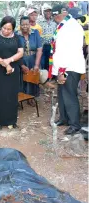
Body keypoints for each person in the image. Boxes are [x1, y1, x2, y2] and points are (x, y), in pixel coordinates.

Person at [50, 4, 86, 135]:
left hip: (68, 67)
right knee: (62, 93)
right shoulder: (64, 25)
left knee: (69, 95)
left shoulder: (71, 26)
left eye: (56, 15)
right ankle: (64, 118)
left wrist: (61, 72)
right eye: (54, 16)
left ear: (63, 13)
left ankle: (74, 124)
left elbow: (68, 51)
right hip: (64, 66)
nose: (55, 18)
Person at [0, 16, 24, 130]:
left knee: (11, 95)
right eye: (4, 28)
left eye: (9, 29)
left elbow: (20, 52)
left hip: (13, 71)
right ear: (1, 26)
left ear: (13, 29)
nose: (6, 31)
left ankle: (11, 120)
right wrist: (5, 64)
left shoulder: (17, 38)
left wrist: (9, 60)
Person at [17, 16, 42, 104]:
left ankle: (32, 97)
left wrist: (36, 64)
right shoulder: (16, 35)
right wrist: (21, 65)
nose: (25, 26)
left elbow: (39, 49)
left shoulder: (35, 33)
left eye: (27, 24)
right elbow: (14, 52)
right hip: (21, 60)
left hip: (33, 59)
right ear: (20, 25)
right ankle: (21, 98)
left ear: (30, 24)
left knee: (33, 76)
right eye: (23, 25)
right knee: (21, 79)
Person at [39, 4, 57, 72]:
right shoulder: (40, 22)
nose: (48, 13)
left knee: (51, 62)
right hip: (43, 46)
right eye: (46, 11)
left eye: (49, 11)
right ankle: (44, 77)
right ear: (44, 12)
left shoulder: (54, 22)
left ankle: (50, 76)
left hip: (52, 46)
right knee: (43, 62)